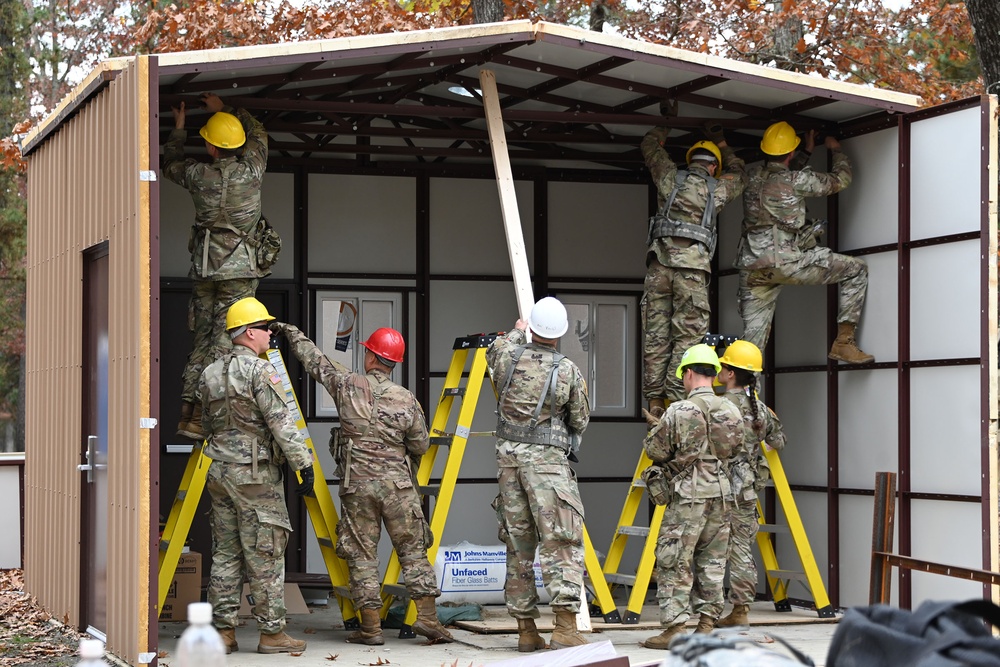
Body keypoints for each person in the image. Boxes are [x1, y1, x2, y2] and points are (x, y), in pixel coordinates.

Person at [269, 321, 454, 646]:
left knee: (362, 555)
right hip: (398, 488)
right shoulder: (406, 399)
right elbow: (421, 446)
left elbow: (315, 361)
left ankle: (370, 628)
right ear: (394, 362)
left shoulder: (346, 383)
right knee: (412, 551)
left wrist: (290, 332)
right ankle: (427, 618)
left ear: (370, 355)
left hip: (358, 487)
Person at [198, 297, 313, 655]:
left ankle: (223, 632)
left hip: (219, 472)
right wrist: (302, 464)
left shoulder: (210, 373)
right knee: (266, 552)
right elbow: (282, 424)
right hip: (255, 476)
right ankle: (272, 633)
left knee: (226, 553)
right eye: (266, 328)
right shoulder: (261, 372)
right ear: (249, 332)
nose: (269, 335)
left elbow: (206, 425)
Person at [486, 296, 591, 652]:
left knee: (518, 546)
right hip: (547, 468)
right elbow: (580, 419)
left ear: (531, 326)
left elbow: (499, 344)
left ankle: (526, 631)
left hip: (509, 466)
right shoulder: (566, 370)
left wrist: (517, 332)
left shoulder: (504, 358)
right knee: (561, 541)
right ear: (560, 333)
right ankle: (563, 626)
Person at [165, 92, 272, 440]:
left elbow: (171, 164)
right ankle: (201, 415)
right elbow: (259, 134)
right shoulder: (252, 170)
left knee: (202, 337)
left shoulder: (198, 176)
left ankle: (187, 412)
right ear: (238, 146)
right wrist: (225, 109)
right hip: (239, 271)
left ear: (210, 148)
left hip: (205, 269)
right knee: (226, 341)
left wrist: (180, 127)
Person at [736, 121, 874, 364]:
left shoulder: (752, 179)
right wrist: (835, 149)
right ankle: (843, 343)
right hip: (788, 262)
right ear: (791, 152)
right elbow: (841, 179)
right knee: (857, 269)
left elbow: (780, 178)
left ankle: (741, 398)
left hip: (753, 268)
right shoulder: (797, 179)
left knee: (750, 351)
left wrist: (806, 152)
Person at [640, 343, 746, 649]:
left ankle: (675, 628)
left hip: (688, 495)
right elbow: (737, 449)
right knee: (712, 560)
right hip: (722, 494)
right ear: (712, 374)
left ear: (688, 374)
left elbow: (655, 450)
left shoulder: (679, 410)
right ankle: (706, 624)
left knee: (675, 559)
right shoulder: (731, 409)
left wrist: (657, 428)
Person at [640, 122, 747, 417]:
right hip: (692, 273)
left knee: (656, 336)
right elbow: (740, 173)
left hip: (660, 267)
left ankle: (655, 402)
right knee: (686, 339)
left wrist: (665, 125)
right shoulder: (718, 188)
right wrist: (722, 142)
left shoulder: (669, 178)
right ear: (714, 167)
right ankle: (677, 407)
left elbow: (649, 145)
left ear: (691, 161)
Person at [714, 340, 786, 627]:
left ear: (730, 373)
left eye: (723, 365)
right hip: (746, 487)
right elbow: (778, 441)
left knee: (707, 547)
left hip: (717, 485)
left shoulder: (718, 406)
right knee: (741, 547)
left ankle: (704, 608)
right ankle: (740, 610)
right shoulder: (761, 410)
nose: (719, 368)